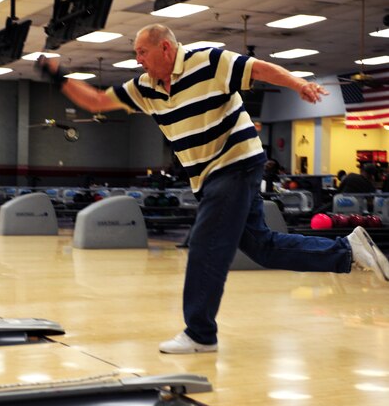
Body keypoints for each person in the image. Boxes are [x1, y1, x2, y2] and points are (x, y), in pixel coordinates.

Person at [38, 24, 389, 354]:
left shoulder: (208, 60)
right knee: (262, 247)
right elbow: (98, 101)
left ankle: (200, 333)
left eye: (142, 52)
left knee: (206, 245)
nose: (138, 59)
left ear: (165, 47)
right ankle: (347, 251)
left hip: (236, 162)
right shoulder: (145, 87)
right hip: (207, 178)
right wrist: (56, 77)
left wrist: (298, 84)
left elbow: (258, 69)